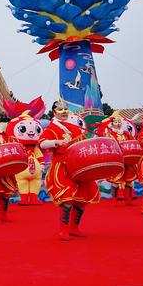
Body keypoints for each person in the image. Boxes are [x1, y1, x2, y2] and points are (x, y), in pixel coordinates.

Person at [39, 100, 100, 241]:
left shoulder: (76, 127)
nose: (64, 112)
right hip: (62, 166)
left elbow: (85, 143)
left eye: (65, 109)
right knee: (67, 199)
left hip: (79, 166)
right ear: (54, 112)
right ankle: (64, 230)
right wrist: (56, 142)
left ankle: (74, 228)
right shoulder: (51, 129)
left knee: (82, 199)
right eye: (60, 110)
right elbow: (42, 143)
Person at [7, 112, 45, 206]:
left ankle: (33, 198)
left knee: (36, 183)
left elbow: (39, 155)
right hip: (21, 170)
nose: (31, 132)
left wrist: (42, 164)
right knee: (22, 183)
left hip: (35, 171)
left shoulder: (35, 148)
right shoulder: (16, 147)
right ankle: (24, 198)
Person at [103, 112, 138, 205]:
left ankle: (129, 200)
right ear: (112, 123)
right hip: (116, 159)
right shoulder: (109, 133)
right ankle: (114, 201)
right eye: (116, 122)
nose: (118, 123)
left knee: (129, 180)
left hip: (127, 159)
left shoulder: (126, 133)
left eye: (119, 122)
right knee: (116, 181)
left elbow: (131, 142)